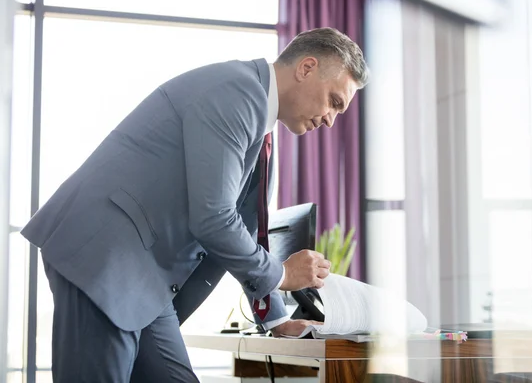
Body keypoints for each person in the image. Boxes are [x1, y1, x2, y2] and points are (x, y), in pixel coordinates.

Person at [20, 27, 369, 382]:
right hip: (104, 260)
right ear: (306, 68)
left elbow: (244, 225)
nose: (330, 119)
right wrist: (281, 275)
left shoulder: (259, 118)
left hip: (144, 277)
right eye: (334, 101)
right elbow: (215, 218)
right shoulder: (238, 93)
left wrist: (276, 318)